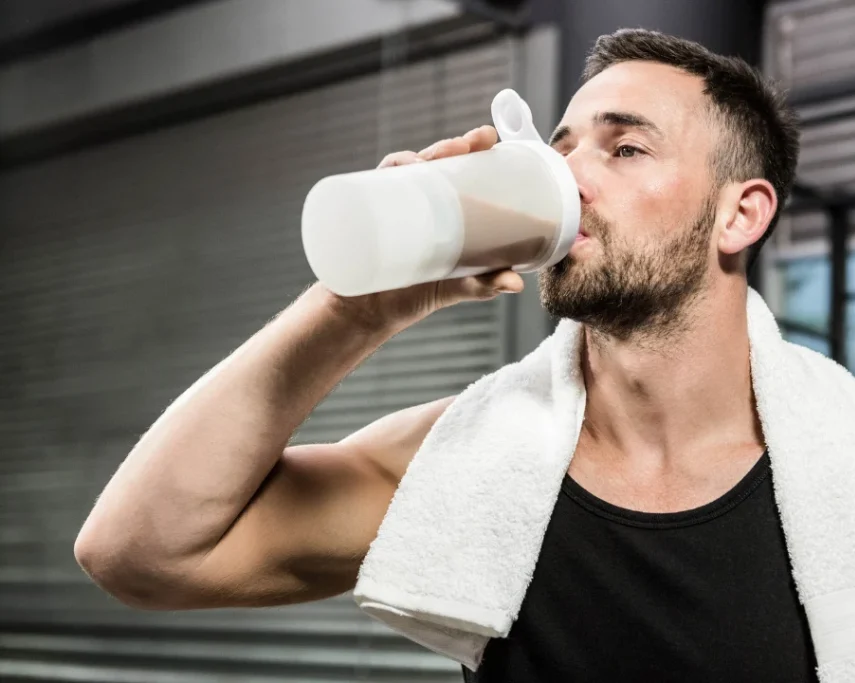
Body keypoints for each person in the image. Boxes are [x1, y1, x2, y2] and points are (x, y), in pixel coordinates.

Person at [75, 28, 811, 682]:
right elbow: (141, 553)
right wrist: (357, 307)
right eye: (559, 151)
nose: (572, 179)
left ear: (739, 213)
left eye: (624, 148)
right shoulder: (468, 457)